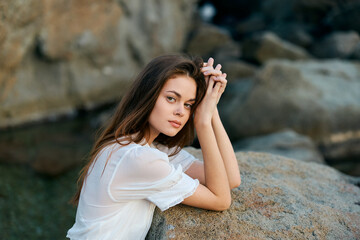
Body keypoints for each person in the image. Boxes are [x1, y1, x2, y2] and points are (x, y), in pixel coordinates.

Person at [66, 54, 241, 240]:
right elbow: (220, 200)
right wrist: (203, 122)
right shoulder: (138, 159)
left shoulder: (150, 149)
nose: (181, 112)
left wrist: (211, 109)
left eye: (189, 104)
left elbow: (231, 179)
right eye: (172, 99)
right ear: (148, 95)